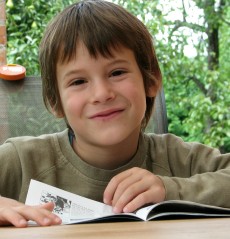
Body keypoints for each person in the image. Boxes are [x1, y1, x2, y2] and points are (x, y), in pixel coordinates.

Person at [0, 0, 229, 228]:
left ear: (150, 80)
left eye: (117, 72)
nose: (101, 94)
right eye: (78, 81)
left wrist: (171, 190)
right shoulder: (20, 161)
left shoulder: (178, 158)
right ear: (54, 101)